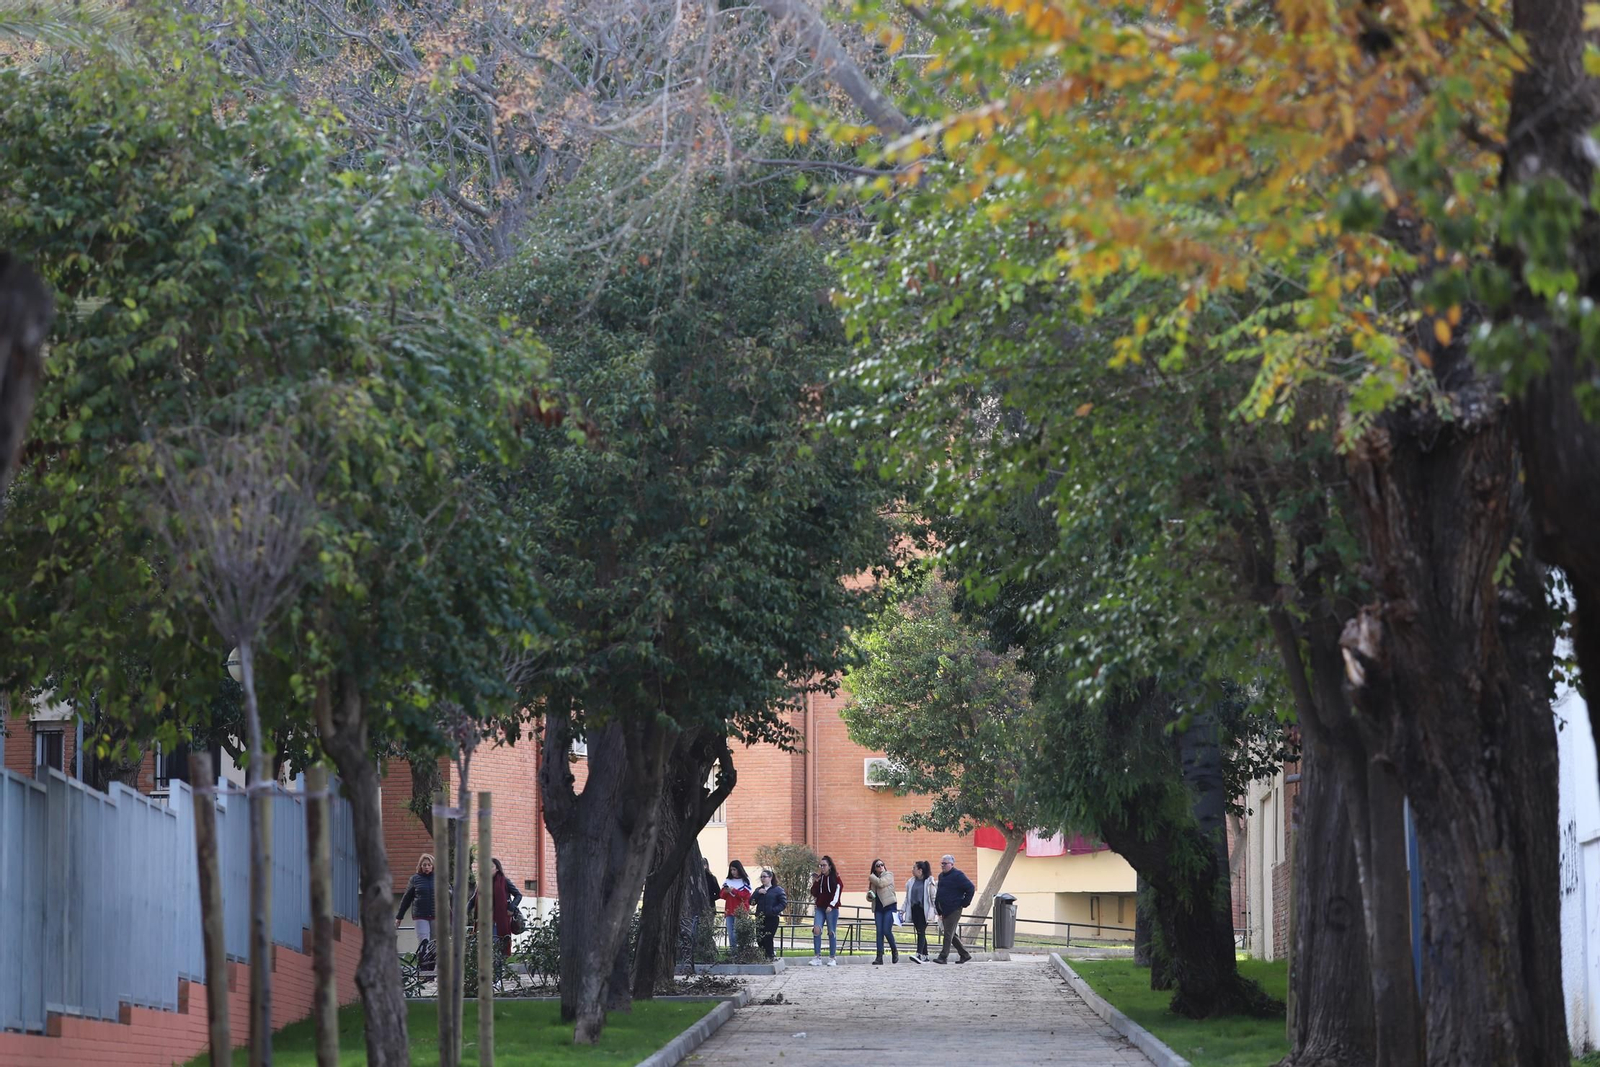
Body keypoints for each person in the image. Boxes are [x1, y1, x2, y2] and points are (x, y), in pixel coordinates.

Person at [396, 853, 437, 968]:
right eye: (424, 865)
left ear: (433, 866)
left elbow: (450, 892)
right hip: (421, 915)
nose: (427, 867)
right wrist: (399, 917)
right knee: (424, 942)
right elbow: (406, 899)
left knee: (434, 944)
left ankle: (432, 971)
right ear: (420, 866)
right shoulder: (415, 879)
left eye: (429, 865)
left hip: (436, 915)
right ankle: (424, 970)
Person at [932, 854, 975, 964]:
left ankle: (943, 956)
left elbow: (970, 888)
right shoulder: (941, 876)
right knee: (951, 934)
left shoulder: (958, 875)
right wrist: (938, 908)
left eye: (945, 863)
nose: (942, 865)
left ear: (951, 864)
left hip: (954, 908)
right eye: (941, 863)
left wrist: (964, 903)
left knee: (947, 933)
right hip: (944, 909)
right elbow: (939, 893)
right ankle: (965, 954)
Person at [808, 854, 843, 966]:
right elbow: (814, 892)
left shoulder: (835, 878)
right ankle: (817, 957)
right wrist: (816, 882)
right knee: (816, 929)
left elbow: (837, 892)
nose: (822, 867)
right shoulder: (820, 878)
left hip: (831, 908)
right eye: (821, 865)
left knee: (831, 932)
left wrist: (832, 905)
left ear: (830, 866)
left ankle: (832, 958)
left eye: (824, 865)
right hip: (820, 907)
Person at [867, 858, 900, 964]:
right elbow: (871, 895)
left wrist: (871, 877)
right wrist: (869, 896)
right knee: (879, 932)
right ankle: (879, 957)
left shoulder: (889, 875)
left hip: (889, 906)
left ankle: (894, 951)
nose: (880, 866)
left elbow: (881, 883)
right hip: (878, 908)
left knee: (886, 930)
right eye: (878, 865)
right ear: (874, 868)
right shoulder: (874, 879)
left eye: (882, 864)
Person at [752, 868, 788, 961]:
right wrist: (757, 893)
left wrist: (774, 910)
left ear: (770, 878)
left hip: (772, 918)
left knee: (768, 937)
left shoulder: (778, 890)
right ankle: (763, 956)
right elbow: (751, 902)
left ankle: (770, 955)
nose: (762, 879)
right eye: (761, 877)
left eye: (764, 877)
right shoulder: (759, 890)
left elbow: (783, 903)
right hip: (760, 917)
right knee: (759, 938)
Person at [903, 859, 935, 962]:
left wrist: (937, 911)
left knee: (921, 931)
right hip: (914, 909)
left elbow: (933, 897)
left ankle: (919, 954)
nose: (912, 870)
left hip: (923, 910)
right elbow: (907, 898)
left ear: (920, 870)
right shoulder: (911, 882)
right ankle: (925, 956)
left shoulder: (929, 881)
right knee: (920, 931)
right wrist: (902, 910)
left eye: (914, 868)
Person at [721, 860, 753, 954]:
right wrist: (726, 891)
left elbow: (746, 896)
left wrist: (734, 891)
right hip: (729, 910)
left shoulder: (745, 881)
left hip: (740, 910)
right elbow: (722, 895)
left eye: (734, 870)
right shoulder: (727, 880)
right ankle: (733, 953)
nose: (733, 872)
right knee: (730, 934)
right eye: (731, 870)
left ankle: (740, 952)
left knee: (737, 933)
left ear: (739, 869)